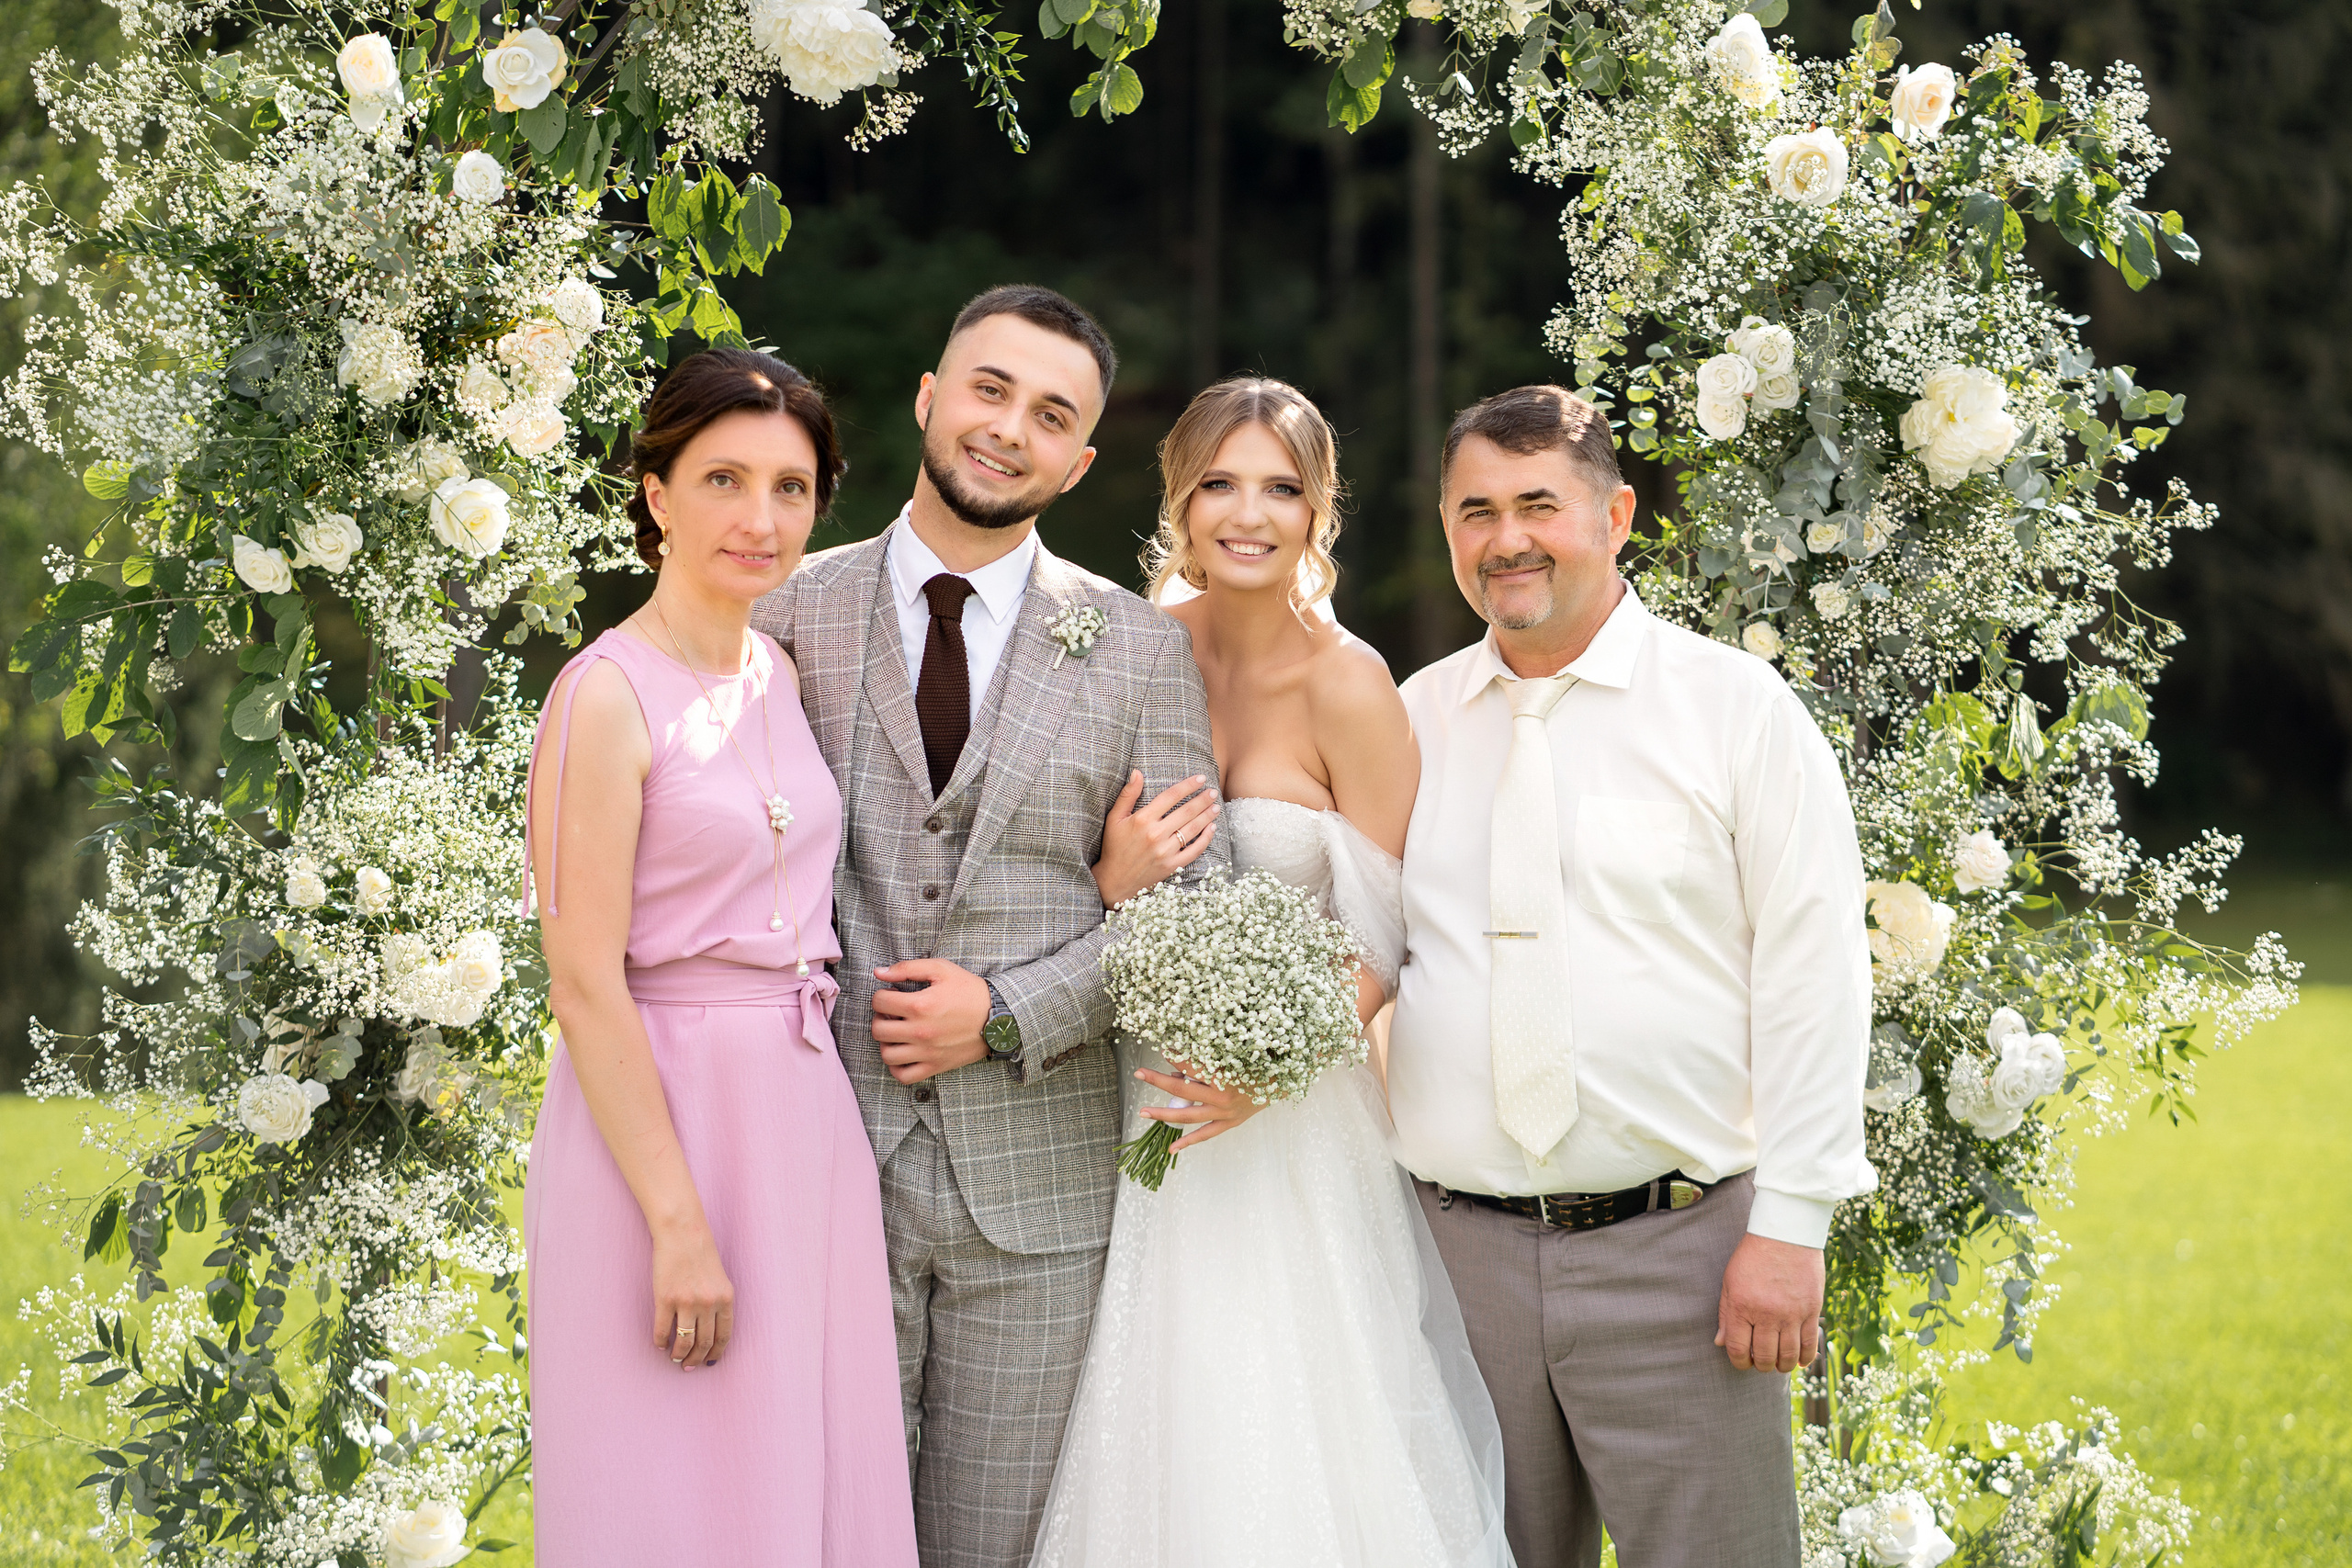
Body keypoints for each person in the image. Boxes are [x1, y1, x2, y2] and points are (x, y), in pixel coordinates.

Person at [750, 286, 1236, 1568]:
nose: (1008, 427)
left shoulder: (1138, 654)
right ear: (927, 397)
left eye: (1051, 414)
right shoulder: (786, 614)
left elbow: (1195, 917)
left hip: (1037, 1198)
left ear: (1080, 461)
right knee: (807, 1534)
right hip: (819, 1164)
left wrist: (1010, 1011)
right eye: (988, 388)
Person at [1386, 385, 1876, 1568]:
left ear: (1616, 512)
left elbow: (1815, 970)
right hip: (1454, 1265)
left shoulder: (1735, 710)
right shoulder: (1411, 722)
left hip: (1688, 1259)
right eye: (1477, 510)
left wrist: (1794, 1225)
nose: (1507, 539)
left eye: (1539, 505)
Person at [1030, 377, 1516, 1568]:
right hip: (1141, 1103)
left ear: (1317, 513)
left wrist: (1265, 1068)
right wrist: (1111, 878)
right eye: (1220, 485)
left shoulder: (1348, 683)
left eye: (1281, 489)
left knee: (1299, 1418)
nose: (1248, 514)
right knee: (1151, 1407)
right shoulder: (1128, 656)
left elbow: (1392, 934)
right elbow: (1049, 863)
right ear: (1180, 505)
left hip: (1296, 1116)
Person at [522, 349, 916, 1565]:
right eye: (724, 480)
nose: (761, 519)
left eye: (791, 489)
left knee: (801, 1473)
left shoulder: (779, 674)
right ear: (656, 491)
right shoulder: (604, 696)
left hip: (798, 1121)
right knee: (665, 1490)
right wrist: (678, 1225)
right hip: (660, 1133)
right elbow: (585, 979)